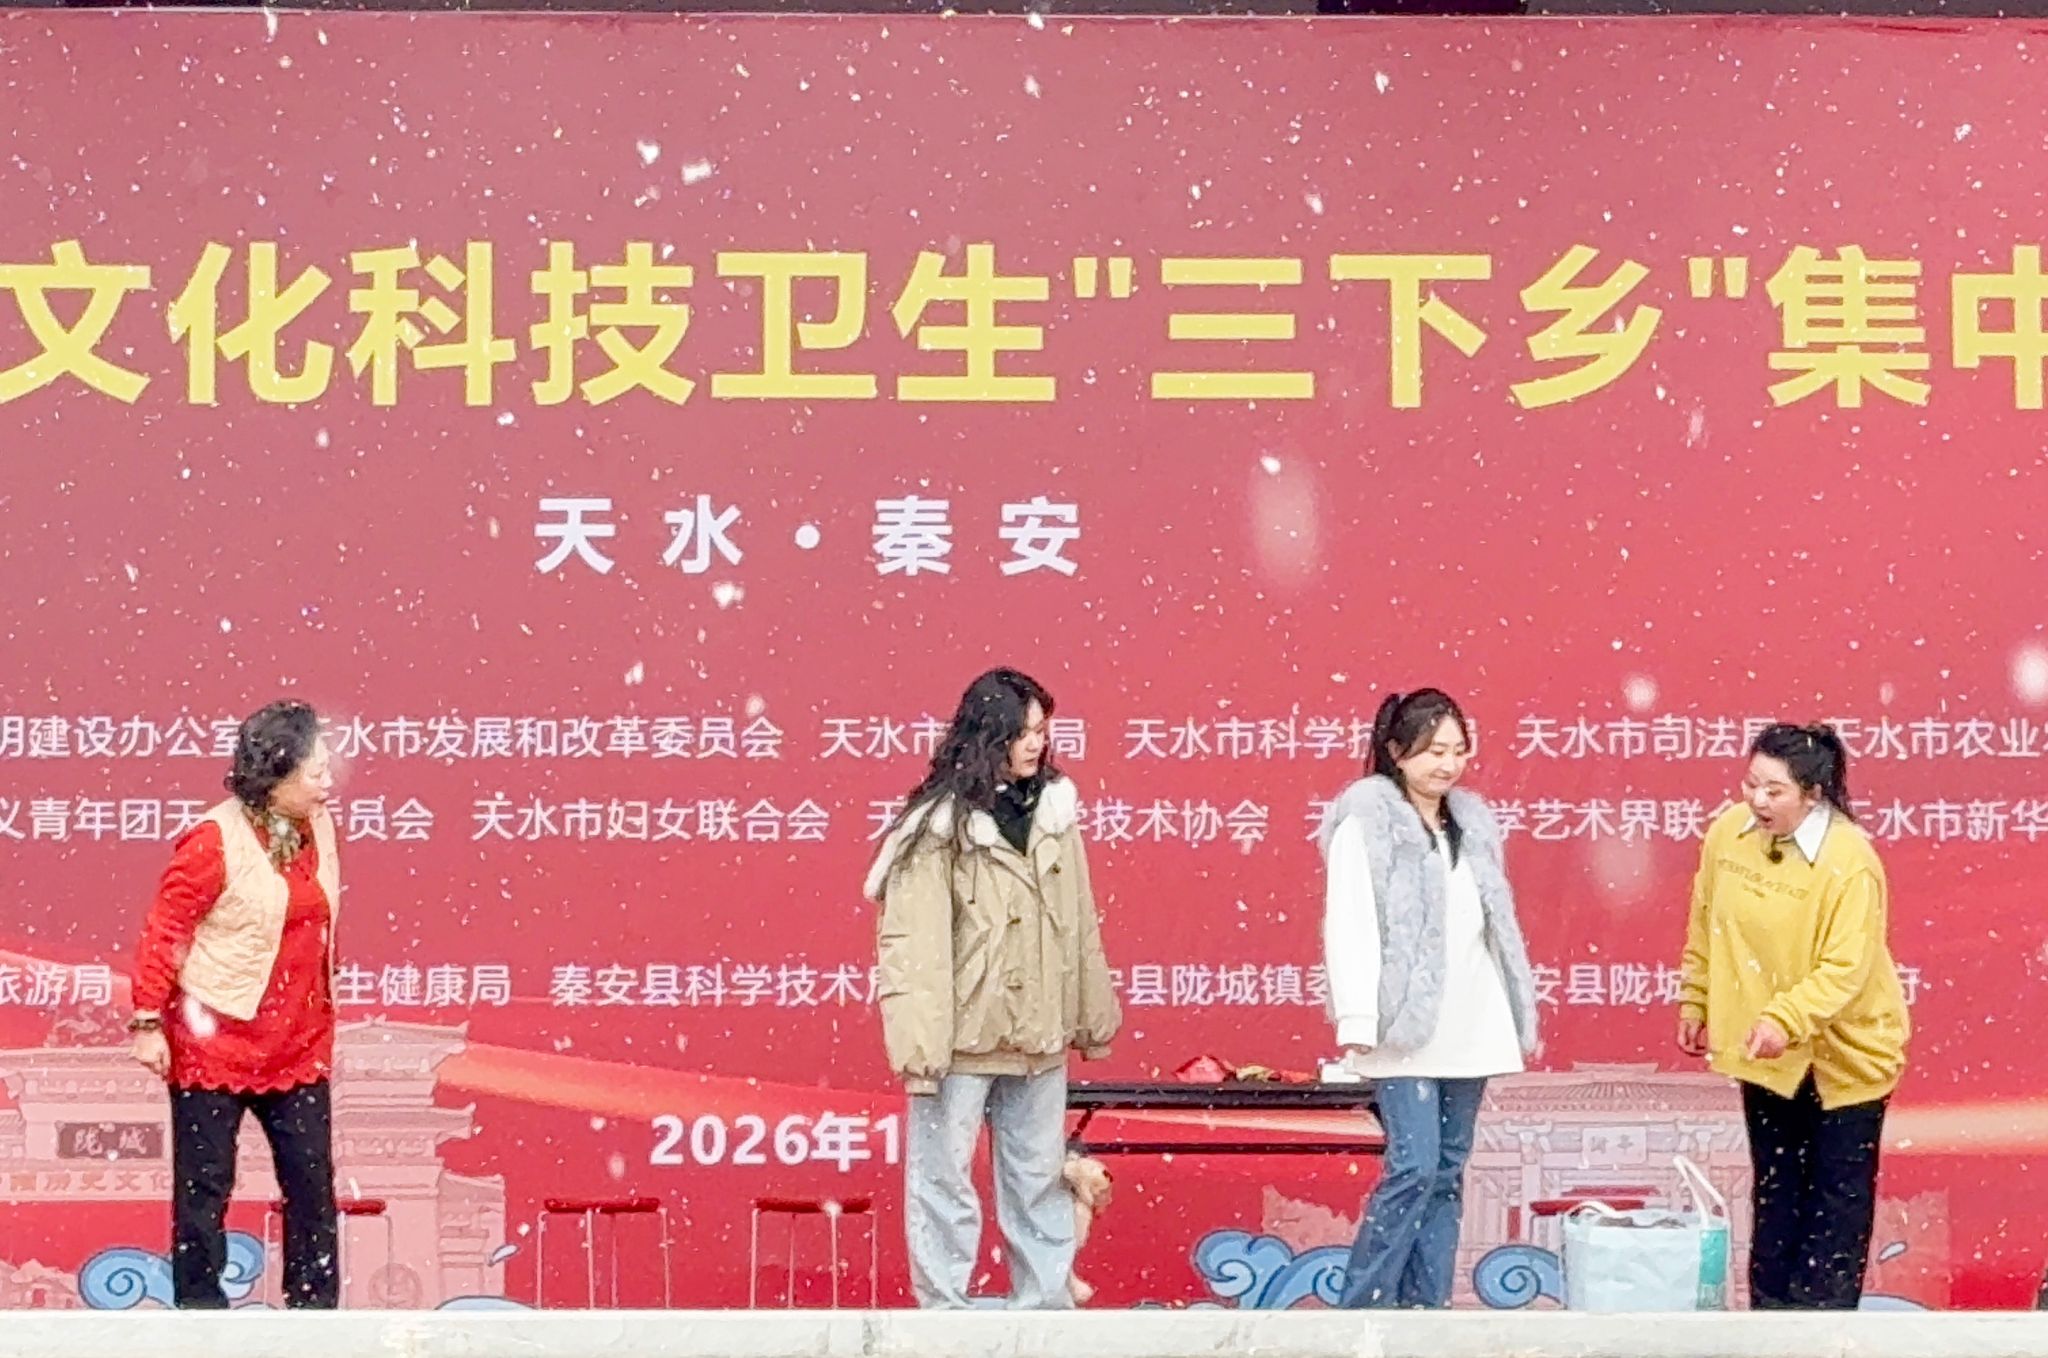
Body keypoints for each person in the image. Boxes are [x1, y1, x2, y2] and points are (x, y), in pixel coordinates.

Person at [862, 667, 1120, 1310]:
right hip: (960, 1038)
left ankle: (1045, 1307)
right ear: (987, 733)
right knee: (944, 1180)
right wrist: (921, 1046)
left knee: (1039, 1178)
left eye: (1042, 730)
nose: (1037, 743)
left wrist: (1090, 1018)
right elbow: (914, 947)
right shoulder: (937, 826)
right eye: (1022, 731)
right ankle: (945, 1311)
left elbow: (1079, 924)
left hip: (1040, 1033)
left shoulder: (1055, 813)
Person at [1318, 688, 1540, 1309]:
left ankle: (1427, 1310)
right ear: (1396, 752)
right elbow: (1351, 922)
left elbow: (1492, 925)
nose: (1448, 764)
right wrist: (1359, 1017)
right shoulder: (1368, 822)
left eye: (1457, 750)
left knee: (1446, 1171)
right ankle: (1363, 1308)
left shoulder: (1470, 823)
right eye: (1432, 750)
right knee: (1413, 1165)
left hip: (1472, 1019)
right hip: (1402, 1025)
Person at [1677, 722, 1907, 1310]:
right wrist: (1696, 997)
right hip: (1767, 1052)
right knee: (1776, 1196)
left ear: (1813, 793)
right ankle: (1771, 1324)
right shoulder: (1729, 834)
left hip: (1844, 1057)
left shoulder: (1849, 860)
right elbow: (1706, 921)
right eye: (1751, 783)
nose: (1757, 800)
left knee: (1834, 1208)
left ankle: (1823, 1331)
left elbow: (1846, 967)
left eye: (1774, 791)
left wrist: (1786, 1017)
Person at [130, 700, 342, 1309]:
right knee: (205, 1187)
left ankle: (314, 1317)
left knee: (311, 1185)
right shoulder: (212, 841)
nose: (328, 782)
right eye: (316, 772)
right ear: (276, 777)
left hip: (297, 1037)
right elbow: (166, 930)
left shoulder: (319, 824)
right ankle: (201, 1315)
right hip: (214, 1037)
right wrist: (147, 1019)